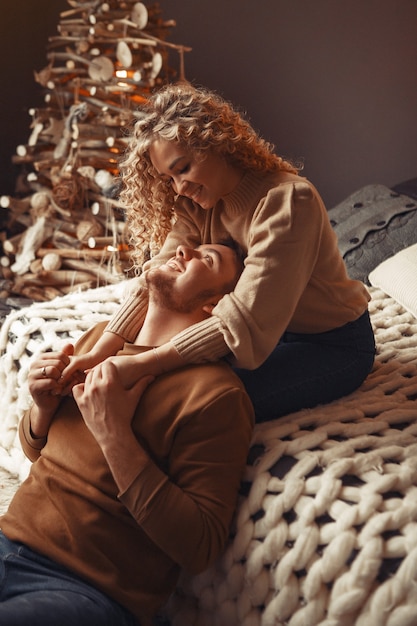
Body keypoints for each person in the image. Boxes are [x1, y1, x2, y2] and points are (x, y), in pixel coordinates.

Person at [63, 82, 376, 422]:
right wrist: (102, 351)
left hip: (329, 345)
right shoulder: (195, 204)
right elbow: (157, 276)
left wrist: (138, 364)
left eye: (183, 168)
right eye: (169, 178)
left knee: (188, 404)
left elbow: (246, 317)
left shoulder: (288, 200)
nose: (179, 187)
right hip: (262, 335)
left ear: (218, 144)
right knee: (148, 385)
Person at [0, 242, 254, 626]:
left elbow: (200, 544)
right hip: (8, 542)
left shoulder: (215, 394)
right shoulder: (99, 340)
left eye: (207, 259)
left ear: (217, 305)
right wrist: (43, 408)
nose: (183, 249)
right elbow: (40, 452)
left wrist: (113, 433)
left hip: (82, 590)